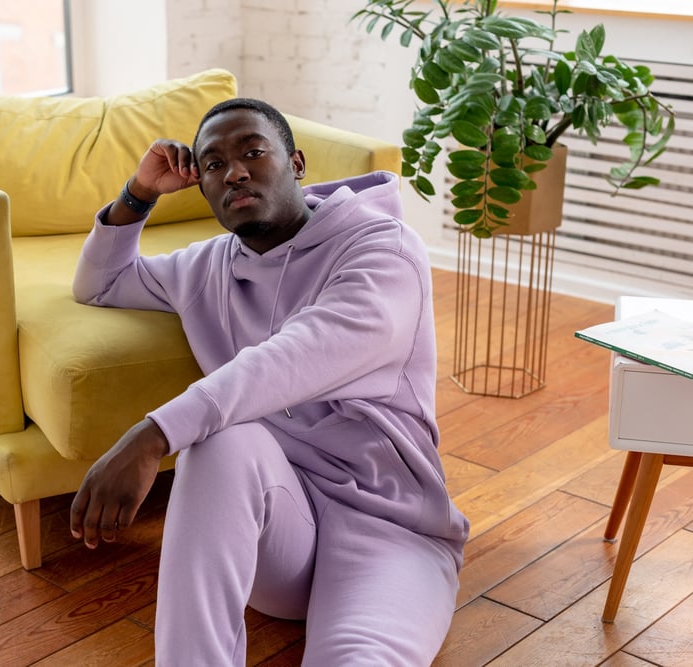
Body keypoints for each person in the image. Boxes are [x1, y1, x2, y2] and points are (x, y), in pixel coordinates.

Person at [69, 97, 469, 666]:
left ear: (297, 163)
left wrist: (155, 434)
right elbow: (100, 283)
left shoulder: (383, 249)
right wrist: (139, 192)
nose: (234, 171)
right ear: (203, 188)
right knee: (223, 441)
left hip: (389, 526)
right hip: (278, 537)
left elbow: (298, 354)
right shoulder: (206, 267)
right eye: (212, 165)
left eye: (253, 152)